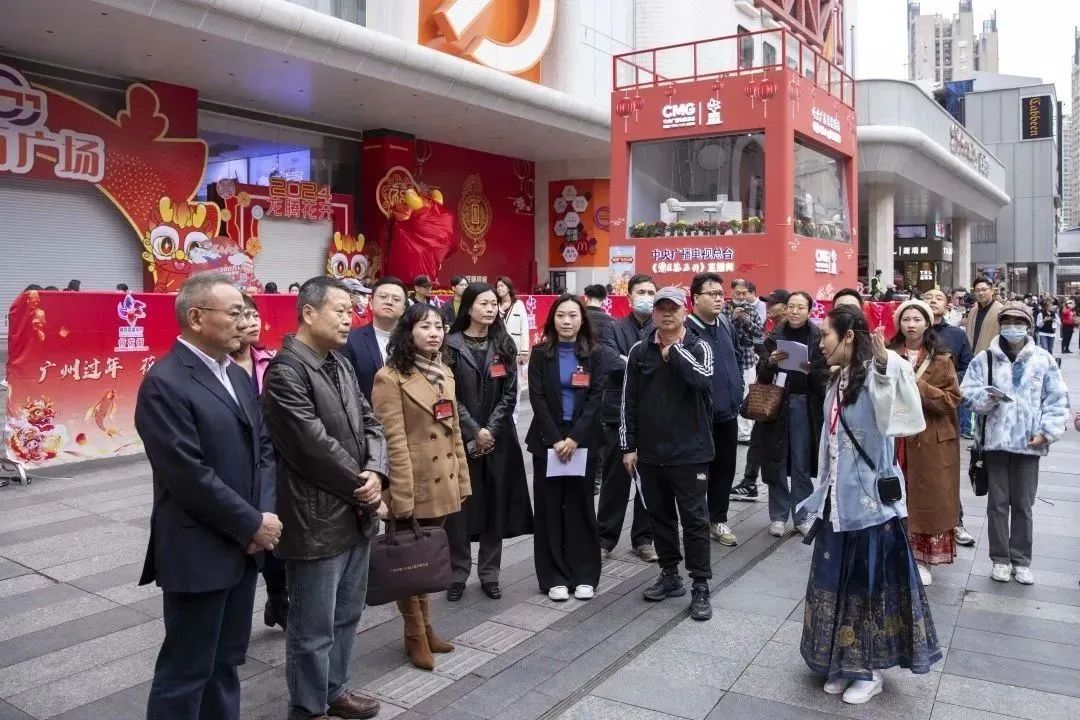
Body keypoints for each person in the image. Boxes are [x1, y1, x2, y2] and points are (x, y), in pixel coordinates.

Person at [135, 272, 280, 720]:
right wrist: (251, 522)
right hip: (198, 550)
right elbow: (188, 475)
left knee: (226, 662)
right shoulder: (165, 382)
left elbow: (263, 450)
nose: (245, 321)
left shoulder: (235, 374)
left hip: (245, 547)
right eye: (235, 313)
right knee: (186, 670)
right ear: (197, 317)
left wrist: (264, 516)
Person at [800, 305, 940, 705]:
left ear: (847, 336)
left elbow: (904, 417)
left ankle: (871, 670)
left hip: (870, 505)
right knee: (838, 584)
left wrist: (884, 366)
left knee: (869, 588)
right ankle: (844, 664)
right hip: (837, 502)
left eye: (825, 335)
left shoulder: (883, 369)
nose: (819, 343)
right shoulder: (838, 377)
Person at [261, 276, 386, 720]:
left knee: (346, 614)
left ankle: (335, 690)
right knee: (311, 626)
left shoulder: (340, 363)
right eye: (340, 310)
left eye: (351, 310)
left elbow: (371, 423)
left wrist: (377, 470)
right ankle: (308, 707)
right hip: (315, 519)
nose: (349, 318)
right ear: (309, 313)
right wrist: (365, 487)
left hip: (355, 512)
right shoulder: (285, 372)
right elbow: (312, 448)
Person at [371, 303, 471, 670]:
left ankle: (427, 628)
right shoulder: (389, 377)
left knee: (425, 558)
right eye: (425, 326)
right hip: (412, 481)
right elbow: (392, 441)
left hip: (442, 478)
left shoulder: (444, 371)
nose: (434, 333)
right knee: (408, 561)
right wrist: (400, 495)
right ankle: (414, 634)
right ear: (407, 331)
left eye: (439, 327)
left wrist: (462, 479)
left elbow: (454, 431)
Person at [622, 287, 715, 621]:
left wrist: (674, 352)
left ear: (685, 311)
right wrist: (628, 446)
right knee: (659, 517)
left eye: (672, 308)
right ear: (654, 313)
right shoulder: (639, 350)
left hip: (690, 452)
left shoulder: (699, 346)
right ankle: (670, 574)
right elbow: (628, 401)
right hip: (650, 453)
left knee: (695, 520)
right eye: (660, 308)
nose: (666, 314)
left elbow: (703, 379)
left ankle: (700, 584)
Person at [961, 301, 1068, 586]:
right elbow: (967, 394)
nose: (1013, 327)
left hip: (1028, 444)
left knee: (1023, 504)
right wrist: (987, 398)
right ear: (1000, 325)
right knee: (997, 504)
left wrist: (1047, 432)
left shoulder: (1043, 359)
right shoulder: (984, 359)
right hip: (995, 444)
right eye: (1007, 321)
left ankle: (1021, 560)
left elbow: (1057, 399)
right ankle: (999, 558)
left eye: (1019, 322)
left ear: (1028, 326)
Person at [443, 283, 533, 601]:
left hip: (498, 439)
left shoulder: (503, 343)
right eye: (484, 303)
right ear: (469, 307)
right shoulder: (450, 345)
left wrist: (490, 430)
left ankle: (490, 573)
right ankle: (457, 573)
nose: (491, 308)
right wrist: (473, 429)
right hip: (461, 438)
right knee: (460, 508)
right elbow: (447, 394)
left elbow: (511, 392)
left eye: (494, 303)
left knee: (495, 504)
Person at [526, 295, 607, 600]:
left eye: (573, 315)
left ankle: (584, 574)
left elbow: (597, 398)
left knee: (580, 507)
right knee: (549, 509)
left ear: (582, 319)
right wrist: (557, 439)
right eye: (561, 315)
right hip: (547, 441)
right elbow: (537, 398)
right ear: (552, 319)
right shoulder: (540, 353)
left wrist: (574, 439)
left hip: (582, 442)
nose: (567, 321)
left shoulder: (595, 353)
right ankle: (554, 577)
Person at [888, 299, 962, 587]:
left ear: (927, 323)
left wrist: (917, 384)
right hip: (896, 437)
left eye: (917, 319)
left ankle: (922, 559)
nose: (911, 324)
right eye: (906, 319)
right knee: (895, 493)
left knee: (926, 499)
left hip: (929, 439)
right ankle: (894, 555)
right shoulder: (888, 355)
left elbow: (951, 400)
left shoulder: (941, 358)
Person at [229, 294, 288, 629]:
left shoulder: (270, 360)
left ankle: (278, 598)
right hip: (237, 463)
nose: (251, 323)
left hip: (271, 459)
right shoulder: (219, 365)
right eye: (242, 315)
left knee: (274, 528)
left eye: (254, 315)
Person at [754, 291, 828, 537]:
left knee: (801, 462)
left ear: (809, 311)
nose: (795, 311)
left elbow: (823, 378)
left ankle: (802, 515)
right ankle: (778, 516)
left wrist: (811, 371)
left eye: (800, 307)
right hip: (777, 402)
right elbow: (762, 375)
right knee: (776, 459)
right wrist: (770, 362)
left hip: (804, 403)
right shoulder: (774, 336)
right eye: (791, 306)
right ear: (785, 309)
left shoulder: (818, 337)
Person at [597, 274, 657, 563]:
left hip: (653, 415)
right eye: (641, 291)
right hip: (616, 414)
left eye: (651, 292)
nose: (646, 297)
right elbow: (609, 361)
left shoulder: (661, 328)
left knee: (649, 481)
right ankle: (604, 539)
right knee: (614, 480)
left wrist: (628, 361)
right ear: (630, 296)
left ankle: (644, 539)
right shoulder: (613, 328)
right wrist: (646, 366)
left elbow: (665, 366)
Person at [689, 273, 744, 546]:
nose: (718, 298)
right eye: (711, 294)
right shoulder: (687, 330)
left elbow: (736, 358)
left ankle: (718, 519)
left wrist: (739, 388)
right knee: (699, 473)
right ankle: (696, 522)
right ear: (695, 298)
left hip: (728, 413)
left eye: (721, 294)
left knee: (725, 469)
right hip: (699, 416)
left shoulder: (725, 324)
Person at [923, 288, 977, 547]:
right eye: (927, 297)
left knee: (946, 469)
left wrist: (949, 384)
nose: (933, 301)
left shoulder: (956, 334)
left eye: (938, 298)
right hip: (910, 413)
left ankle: (956, 522)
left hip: (943, 411)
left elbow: (968, 366)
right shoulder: (909, 333)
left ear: (947, 306)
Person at [731, 288, 790, 501]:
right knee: (758, 437)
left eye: (773, 303)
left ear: (786, 307)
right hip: (771, 393)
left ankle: (753, 482)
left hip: (780, 395)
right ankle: (750, 481)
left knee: (763, 438)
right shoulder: (774, 329)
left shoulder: (784, 332)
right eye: (768, 303)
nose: (769, 306)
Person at [343, 276, 408, 401]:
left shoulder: (412, 341)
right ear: (371, 303)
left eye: (396, 299)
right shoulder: (351, 340)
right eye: (383, 297)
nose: (389, 302)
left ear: (403, 310)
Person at [724, 278, 764, 444]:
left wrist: (748, 322)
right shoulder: (724, 308)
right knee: (731, 393)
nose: (741, 296)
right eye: (738, 293)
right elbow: (721, 331)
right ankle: (733, 430)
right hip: (729, 357)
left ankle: (745, 434)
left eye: (744, 293)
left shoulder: (752, 310)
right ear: (731, 291)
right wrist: (733, 319)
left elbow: (759, 334)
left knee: (748, 393)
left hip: (747, 357)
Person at [582, 283, 614, 495]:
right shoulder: (612, 322)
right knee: (600, 429)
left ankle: (581, 474)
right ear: (605, 299)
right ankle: (597, 477)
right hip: (602, 382)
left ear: (585, 297)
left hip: (577, 380)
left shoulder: (578, 319)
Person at [495, 276, 529, 362]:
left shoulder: (518, 304)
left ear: (509, 288)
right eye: (497, 286)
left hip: (516, 347)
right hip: (500, 349)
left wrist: (524, 351)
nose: (499, 288)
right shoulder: (495, 305)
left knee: (517, 370)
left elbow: (524, 327)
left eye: (502, 286)